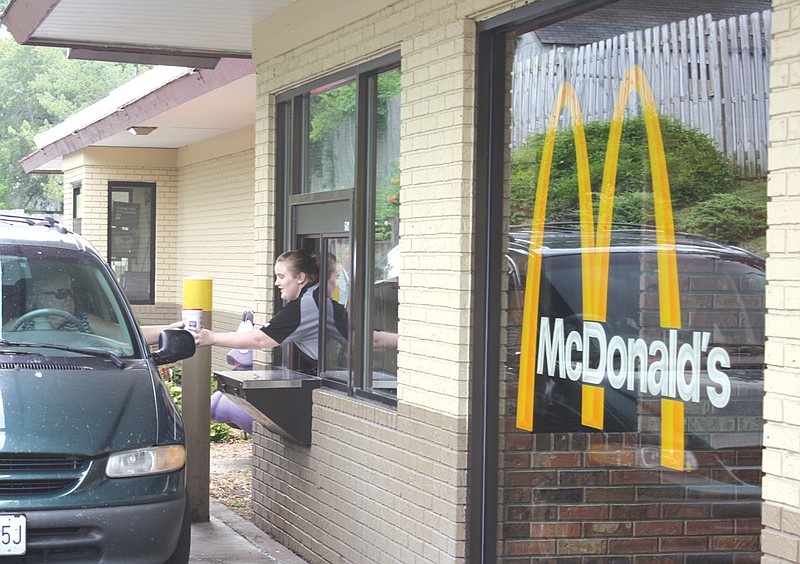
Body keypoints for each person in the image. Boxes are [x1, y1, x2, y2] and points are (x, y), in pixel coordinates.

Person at [192, 249, 348, 374]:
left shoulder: (307, 305)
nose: (276, 283)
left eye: (281, 276)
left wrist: (212, 338)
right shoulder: (313, 300)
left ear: (300, 277)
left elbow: (260, 339)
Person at [4, 270, 182, 346]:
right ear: (39, 298)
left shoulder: (84, 320)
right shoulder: (17, 325)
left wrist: (170, 329)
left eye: (70, 293)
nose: (68, 299)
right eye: (60, 294)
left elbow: (128, 336)